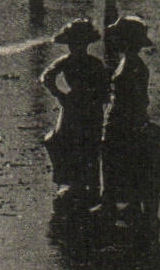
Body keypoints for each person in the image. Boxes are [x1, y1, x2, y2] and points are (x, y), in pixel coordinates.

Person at [99, 16, 160, 225]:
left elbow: (137, 100)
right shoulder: (130, 63)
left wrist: (138, 123)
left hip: (123, 121)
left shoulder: (132, 65)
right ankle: (127, 204)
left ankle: (119, 204)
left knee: (119, 161)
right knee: (125, 162)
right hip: (123, 119)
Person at [39, 18, 109, 206]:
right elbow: (47, 77)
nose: (75, 48)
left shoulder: (74, 62)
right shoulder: (91, 63)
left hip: (78, 106)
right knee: (79, 145)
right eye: (73, 44)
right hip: (83, 107)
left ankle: (79, 185)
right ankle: (84, 187)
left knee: (78, 145)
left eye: (78, 44)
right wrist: (61, 95)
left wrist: (61, 95)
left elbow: (47, 77)